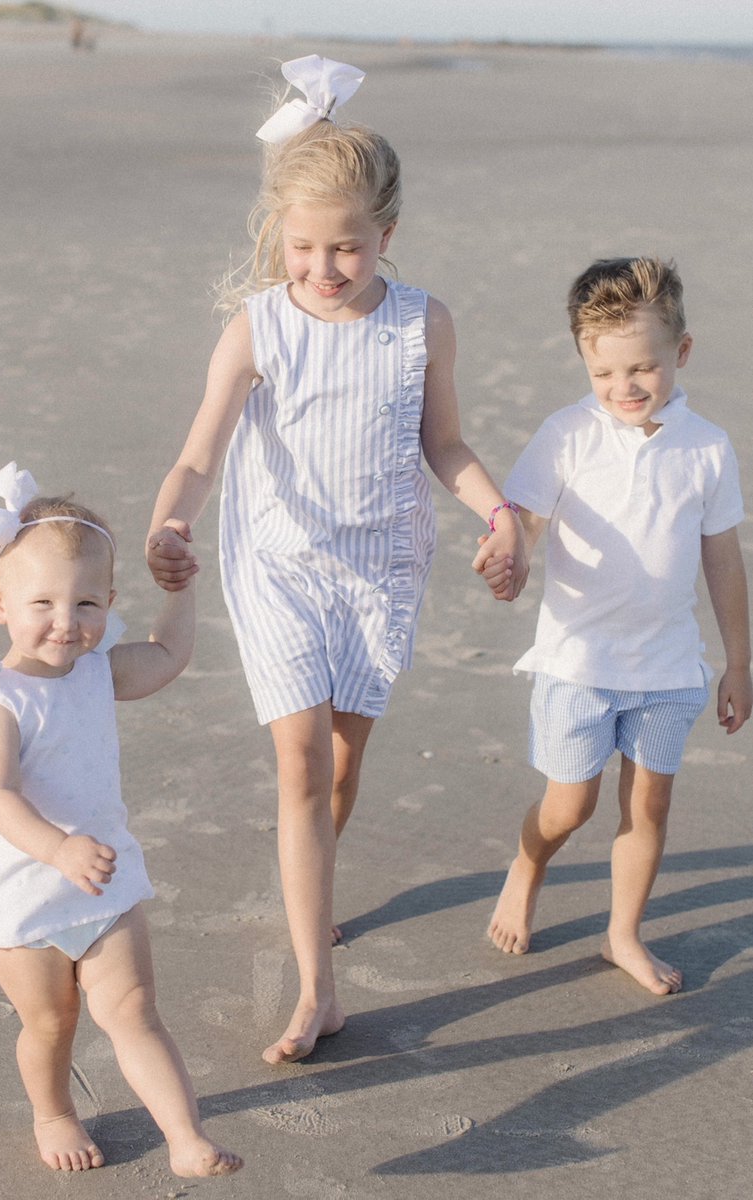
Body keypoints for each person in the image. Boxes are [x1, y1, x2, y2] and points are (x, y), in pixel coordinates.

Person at [146, 56, 527, 1065]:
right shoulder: (259, 327)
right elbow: (198, 454)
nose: (323, 267)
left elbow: (443, 447)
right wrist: (169, 525)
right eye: (304, 246)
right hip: (277, 562)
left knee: (343, 764)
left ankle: (311, 879)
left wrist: (499, 514)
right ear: (280, 234)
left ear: (385, 237)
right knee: (301, 762)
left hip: (380, 568)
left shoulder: (420, 326)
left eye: (347, 248)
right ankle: (321, 987)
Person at [0, 463, 242, 1177]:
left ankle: (186, 1139)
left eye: (86, 605)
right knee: (51, 1020)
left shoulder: (97, 671)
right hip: (21, 881)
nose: (67, 624)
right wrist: (57, 848)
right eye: (42, 603)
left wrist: (181, 592)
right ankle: (54, 1111)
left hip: (101, 875)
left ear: (107, 603)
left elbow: (167, 657)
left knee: (133, 1008)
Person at [481, 256, 752, 994]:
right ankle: (527, 864)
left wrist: (737, 662)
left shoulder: (706, 448)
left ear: (680, 353)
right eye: (604, 374)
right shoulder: (567, 435)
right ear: (583, 361)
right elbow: (527, 519)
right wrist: (509, 554)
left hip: (666, 668)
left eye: (643, 368)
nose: (624, 388)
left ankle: (621, 934)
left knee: (648, 805)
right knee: (569, 805)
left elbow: (722, 558)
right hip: (576, 662)